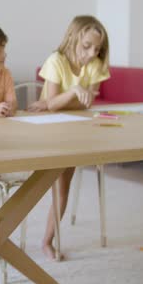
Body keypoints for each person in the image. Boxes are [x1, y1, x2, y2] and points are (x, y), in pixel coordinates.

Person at [29, 15, 111, 259]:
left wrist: (57, 102)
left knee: (62, 186)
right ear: (73, 39)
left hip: (73, 133)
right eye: (86, 46)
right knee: (46, 184)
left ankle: (47, 240)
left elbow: (82, 106)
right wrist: (74, 91)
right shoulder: (57, 61)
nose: (91, 53)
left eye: (97, 49)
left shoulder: (94, 65)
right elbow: (55, 105)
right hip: (45, 132)